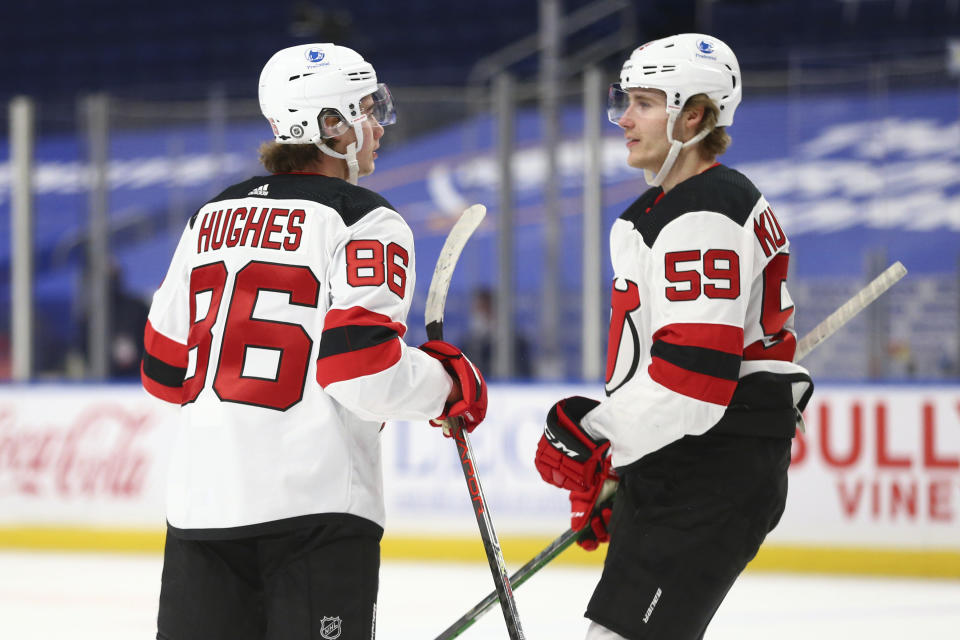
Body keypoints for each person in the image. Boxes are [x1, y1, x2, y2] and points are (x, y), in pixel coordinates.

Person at [140, 43, 487, 640]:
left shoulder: (209, 218)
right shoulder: (365, 219)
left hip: (200, 514)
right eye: (365, 110)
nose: (377, 124)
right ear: (330, 126)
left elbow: (163, 371)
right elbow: (362, 373)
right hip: (313, 521)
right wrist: (448, 385)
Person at [534, 34, 813, 640]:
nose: (624, 119)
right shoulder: (664, 209)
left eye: (645, 103)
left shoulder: (704, 211)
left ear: (694, 114)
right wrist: (621, 463)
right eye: (625, 100)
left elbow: (691, 386)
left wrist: (598, 437)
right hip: (681, 461)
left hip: (710, 468)